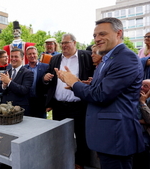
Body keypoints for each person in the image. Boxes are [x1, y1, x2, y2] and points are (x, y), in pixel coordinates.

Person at [55, 17, 145, 169]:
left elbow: (100, 95)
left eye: (102, 34)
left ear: (119, 33)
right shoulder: (108, 59)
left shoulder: (126, 58)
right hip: (107, 136)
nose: (97, 39)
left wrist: (74, 83)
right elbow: (100, 89)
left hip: (116, 137)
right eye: (95, 36)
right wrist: (80, 84)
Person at [43, 33, 94, 169]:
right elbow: (48, 80)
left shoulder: (86, 56)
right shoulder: (55, 59)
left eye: (67, 42)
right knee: (59, 137)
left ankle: (79, 163)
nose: (64, 45)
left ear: (74, 43)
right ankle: (61, 160)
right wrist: (46, 78)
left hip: (79, 105)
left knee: (81, 136)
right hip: (59, 106)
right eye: (62, 43)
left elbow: (94, 75)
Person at [0, 48, 33, 116]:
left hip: (20, 109)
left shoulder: (28, 73)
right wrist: (4, 85)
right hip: (5, 108)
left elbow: (24, 90)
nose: (13, 59)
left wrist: (9, 82)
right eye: (12, 56)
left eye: (16, 56)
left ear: (22, 58)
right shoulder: (6, 71)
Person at [23, 46, 48, 118]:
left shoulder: (46, 67)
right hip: (27, 102)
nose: (32, 56)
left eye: (34, 53)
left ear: (37, 54)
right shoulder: (23, 69)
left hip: (40, 102)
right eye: (29, 54)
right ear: (26, 56)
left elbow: (50, 85)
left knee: (41, 125)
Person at [132, 79, 150, 169]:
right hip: (133, 131)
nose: (141, 88)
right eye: (141, 85)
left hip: (146, 134)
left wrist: (143, 103)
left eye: (145, 86)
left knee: (143, 146)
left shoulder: (145, 101)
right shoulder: (134, 98)